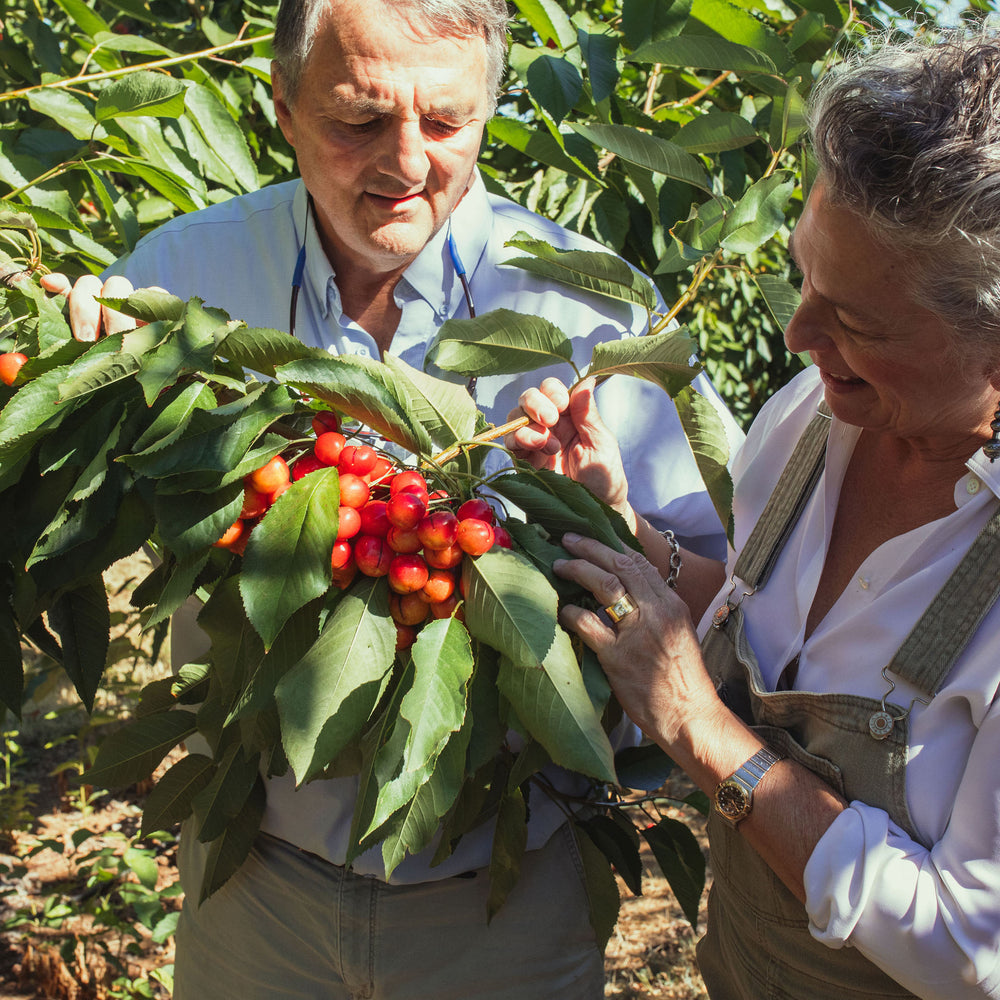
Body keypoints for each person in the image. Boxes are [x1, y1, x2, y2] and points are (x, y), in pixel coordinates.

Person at [42, 1, 741, 996]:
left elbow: (733, 604)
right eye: (358, 119)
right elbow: (91, 495)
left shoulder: (591, 313)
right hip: (256, 881)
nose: (407, 161)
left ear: (490, 110)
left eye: (446, 121)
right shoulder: (176, 282)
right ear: (282, 107)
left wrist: (618, 524)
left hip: (504, 900)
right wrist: (83, 404)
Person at [509, 27, 1000, 999]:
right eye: (805, 275)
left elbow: (969, 947)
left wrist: (699, 728)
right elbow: (754, 618)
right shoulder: (811, 420)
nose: (797, 333)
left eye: (858, 321)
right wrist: (622, 528)